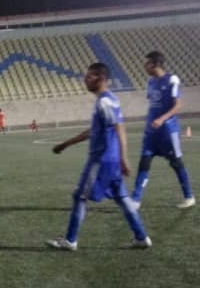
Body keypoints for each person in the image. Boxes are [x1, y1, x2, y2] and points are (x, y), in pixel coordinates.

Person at [47, 63, 151, 251]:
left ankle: (70, 240)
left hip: (101, 160)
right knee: (122, 198)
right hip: (110, 160)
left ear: (101, 78)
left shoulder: (105, 102)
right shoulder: (107, 100)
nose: (85, 79)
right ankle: (141, 236)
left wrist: (124, 158)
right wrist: (66, 144)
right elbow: (93, 131)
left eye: (90, 76)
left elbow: (120, 127)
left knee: (79, 196)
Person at [131, 51, 194, 209]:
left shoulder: (172, 79)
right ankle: (136, 199)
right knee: (144, 161)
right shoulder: (150, 82)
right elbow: (153, 104)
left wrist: (162, 119)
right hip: (151, 131)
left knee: (176, 163)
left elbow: (178, 105)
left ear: (155, 64)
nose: (144, 66)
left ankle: (189, 196)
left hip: (168, 131)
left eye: (147, 63)